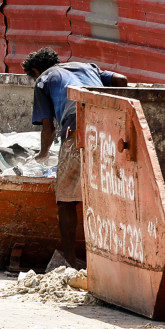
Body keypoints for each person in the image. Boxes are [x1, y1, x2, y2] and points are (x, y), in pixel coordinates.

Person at [26, 47, 128, 269]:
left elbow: (48, 128)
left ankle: (70, 262)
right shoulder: (87, 66)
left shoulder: (43, 79)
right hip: (110, 130)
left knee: (66, 200)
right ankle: (113, 261)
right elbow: (121, 79)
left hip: (77, 130)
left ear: (35, 70)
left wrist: (43, 156)